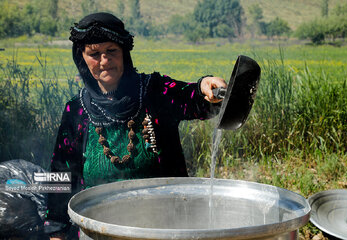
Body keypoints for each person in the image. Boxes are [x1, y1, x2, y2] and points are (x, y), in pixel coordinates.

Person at [46, 12, 227, 239]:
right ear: (82, 58)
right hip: (99, 230)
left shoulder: (154, 92)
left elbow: (191, 98)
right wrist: (55, 230)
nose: (104, 60)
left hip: (165, 227)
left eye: (111, 51)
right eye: (94, 54)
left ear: (124, 52)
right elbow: (60, 172)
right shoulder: (76, 109)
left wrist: (206, 85)